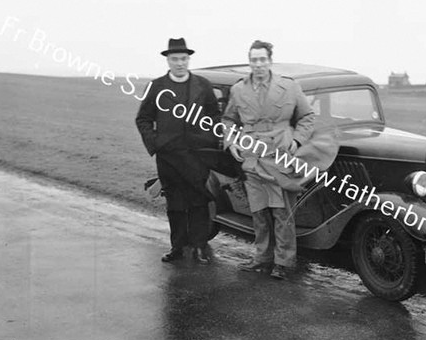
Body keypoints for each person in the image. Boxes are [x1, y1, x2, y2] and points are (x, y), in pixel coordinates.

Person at [222, 40, 315, 279]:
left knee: (282, 212)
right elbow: (229, 120)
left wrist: (296, 142)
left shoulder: (290, 87)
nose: (258, 64)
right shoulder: (238, 89)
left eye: (262, 59)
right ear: (249, 62)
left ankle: (284, 262)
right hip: (252, 157)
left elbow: (307, 116)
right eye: (254, 60)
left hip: (280, 156)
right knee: (259, 212)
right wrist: (231, 141)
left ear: (270, 61)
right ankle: (262, 258)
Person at [135, 38, 219, 265]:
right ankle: (178, 247)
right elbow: (143, 118)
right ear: (168, 60)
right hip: (168, 157)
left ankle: (200, 246)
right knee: (175, 204)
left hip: (196, 156)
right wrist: (156, 144)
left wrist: (208, 140)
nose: (180, 63)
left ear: (188, 59)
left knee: (198, 202)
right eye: (175, 59)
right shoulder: (156, 86)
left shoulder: (203, 85)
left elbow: (214, 117)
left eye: (183, 59)